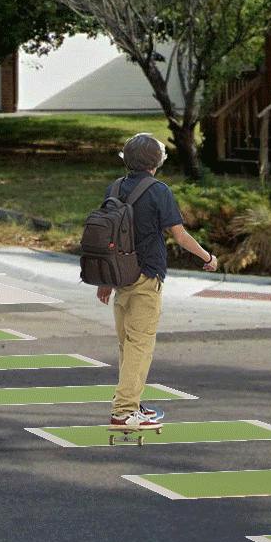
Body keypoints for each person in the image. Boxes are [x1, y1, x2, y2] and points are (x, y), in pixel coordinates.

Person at [89, 132, 219, 433]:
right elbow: (180, 236)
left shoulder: (114, 187)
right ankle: (124, 412)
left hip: (119, 277)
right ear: (156, 162)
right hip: (146, 277)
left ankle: (130, 403)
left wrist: (104, 280)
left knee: (128, 344)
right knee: (140, 345)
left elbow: (107, 236)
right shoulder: (159, 191)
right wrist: (207, 257)